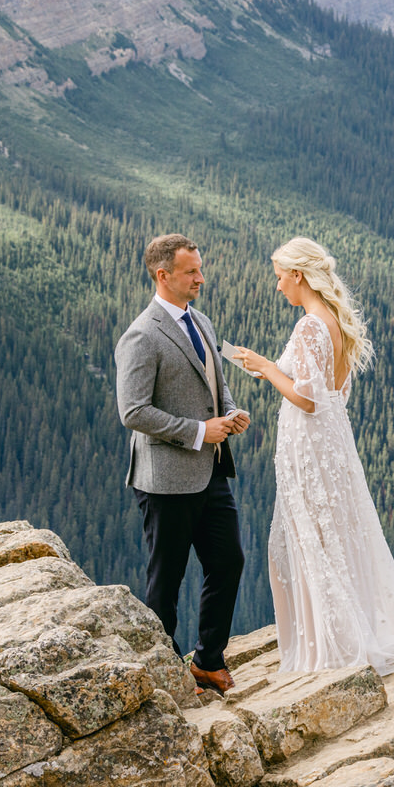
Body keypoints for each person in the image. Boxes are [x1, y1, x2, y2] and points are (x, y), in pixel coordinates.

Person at [230, 237, 394, 673]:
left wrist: (267, 368)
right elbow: (335, 392)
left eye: (279, 278)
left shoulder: (309, 325)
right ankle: (354, 623)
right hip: (330, 439)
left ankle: (334, 639)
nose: (278, 288)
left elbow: (308, 398)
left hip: (310, 441)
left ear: (298, 275)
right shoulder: (335, 323)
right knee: (339, 531)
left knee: (315, 533)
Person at [115, 234, 250, 694]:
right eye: (191, 271)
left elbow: (215, 382)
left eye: (199, 268)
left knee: (229, 561)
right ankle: (165, 670)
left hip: (210, 470)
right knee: (165, 583)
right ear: (163, 275)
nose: (200, 277)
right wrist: (198, 431)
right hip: (164, 480)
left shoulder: (202, 322)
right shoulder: (142, 334)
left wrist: (228, 412)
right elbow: (132, 411)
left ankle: (208, 661)